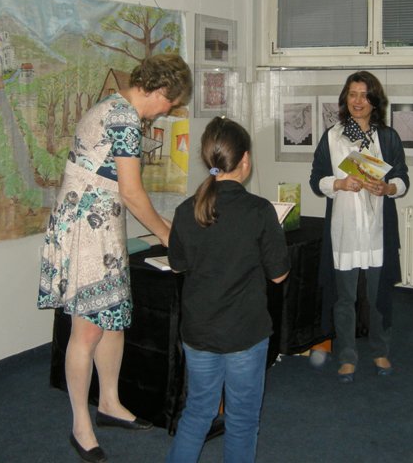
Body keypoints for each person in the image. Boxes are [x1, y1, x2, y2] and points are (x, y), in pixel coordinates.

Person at [38, 53, 192, 463]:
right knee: (87, 331)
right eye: (171, 102)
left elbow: (122, 191)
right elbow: (131, 192)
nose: (168, 110)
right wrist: (167, 235)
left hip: (101, 226)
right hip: (87, 231)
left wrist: (165, 227)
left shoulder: (113, 106)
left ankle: (109, 403)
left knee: (113, 320)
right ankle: (80, 424)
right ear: (161, 90)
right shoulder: (123, 118)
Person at [166, 117, 290, 463]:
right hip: (245, 333)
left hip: (199, 332)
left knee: (197, 413)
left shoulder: (186, 210)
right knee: (242, 420)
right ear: (245, 160)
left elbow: (177, 265)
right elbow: (279, 275)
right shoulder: (260, 211)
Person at [309, 71, 410, 383]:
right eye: (352, 94)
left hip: (378, 229)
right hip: (345, 229)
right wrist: (340, 183)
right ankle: (347, 356)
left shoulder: (388, 137)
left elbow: (403, 178)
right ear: (345, 98)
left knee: (379, 295)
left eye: (365, 95)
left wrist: (388, 188)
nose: (358, 101)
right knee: (345, 298)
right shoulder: (332, 136)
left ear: (374, 101)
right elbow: (316, 180)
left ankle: (380, 350)